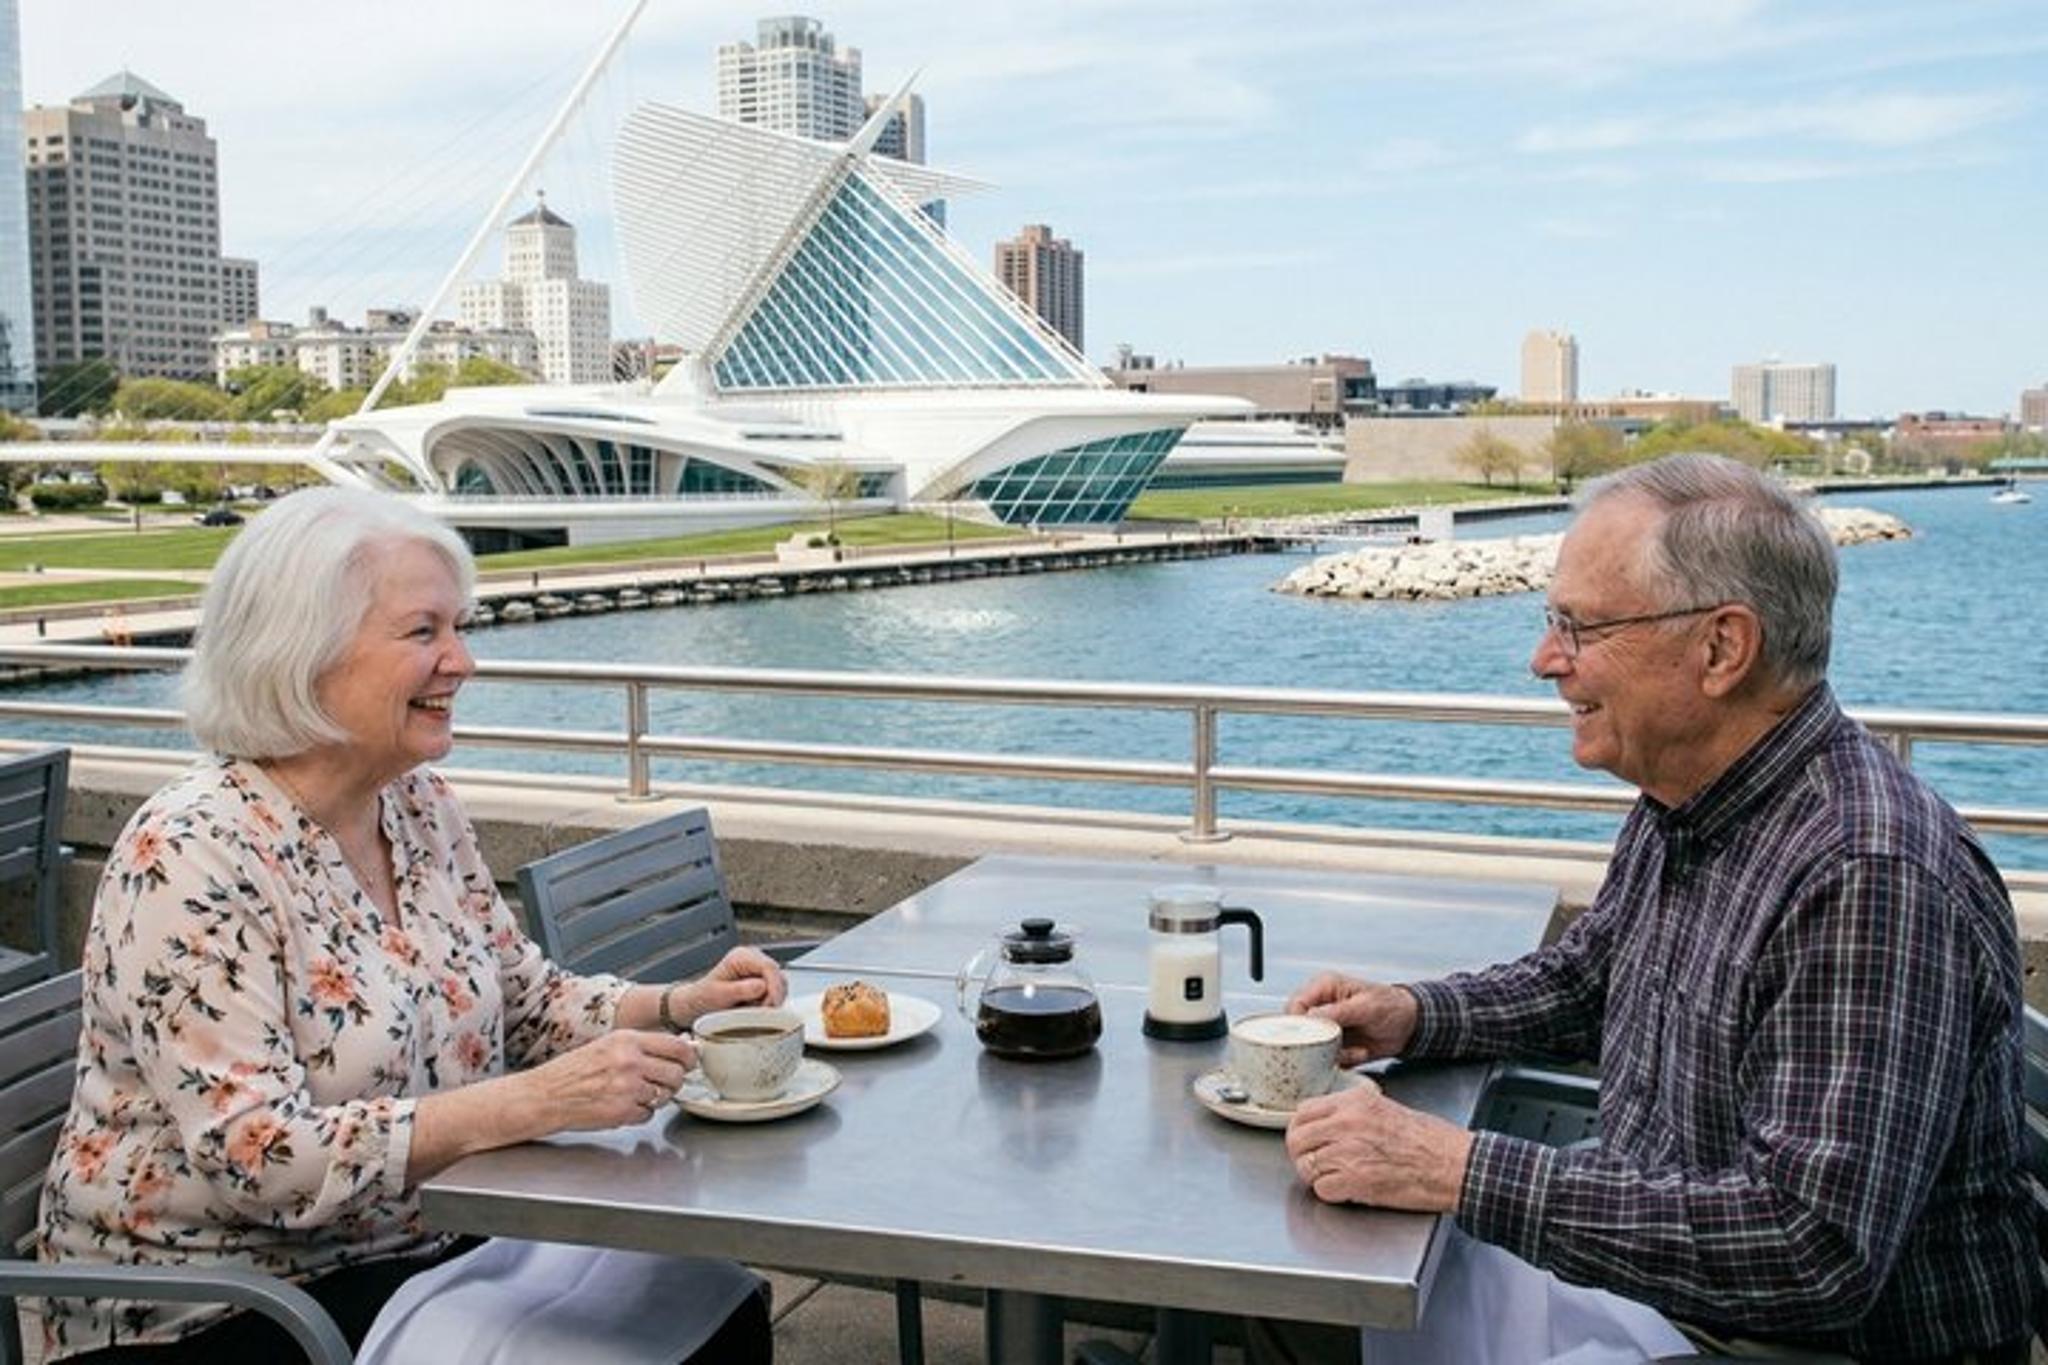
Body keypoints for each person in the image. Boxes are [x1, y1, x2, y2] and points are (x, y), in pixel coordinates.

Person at [1268, 455, 2031, 1364]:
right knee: (1332, 1277)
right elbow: (1593, 975)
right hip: (1668, 1299)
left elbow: (1809, 1249)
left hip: (1786, 1345)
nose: (1546, 659)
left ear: (1721, 649)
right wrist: (1414, 1013)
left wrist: (1458, 1167)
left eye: (1580, 627)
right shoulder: (1691, 795)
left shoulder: (1867, 876)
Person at [35, 487, 786, 1363]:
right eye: (424, 631)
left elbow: (525, 1002)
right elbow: (260, 1160)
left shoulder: (418, 805)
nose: (462, 660)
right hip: (219, 1304)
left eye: (459, 628)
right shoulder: (193, 851)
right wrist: (532, 1101)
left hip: (413, 1248)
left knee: (709, 1295)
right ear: (302, 652)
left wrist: (681, 1003)